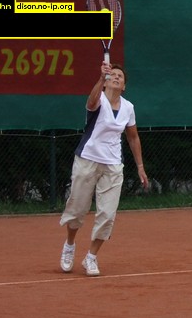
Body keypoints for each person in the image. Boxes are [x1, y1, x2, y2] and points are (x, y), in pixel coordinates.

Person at [59, 61, 149, 277]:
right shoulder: (98, 99)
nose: (117, 77)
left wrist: (140, 166)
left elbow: (133, 137)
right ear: (107, 81)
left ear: (124, 86)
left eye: (121, 76)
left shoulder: (128, 108)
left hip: (113, 165)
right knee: (77, 209)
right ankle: (69, 245)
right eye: (113, 75)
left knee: (108, 214)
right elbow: (91, 102)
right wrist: (100, 79)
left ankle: (91, 257)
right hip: (87, 160)